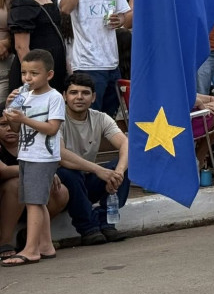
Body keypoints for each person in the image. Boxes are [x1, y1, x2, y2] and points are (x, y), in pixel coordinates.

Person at [1, 49, 64, 266]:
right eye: (24, 73)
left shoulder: (54, 97)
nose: (28, 78)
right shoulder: (24, 95)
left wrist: (24, 119)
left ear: (49, 74)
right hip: (27, 154)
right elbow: (15, 129)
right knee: (34, 201)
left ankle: (31, 249)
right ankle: (45, 246)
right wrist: (10, 109)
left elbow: (52, 128)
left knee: (34, 203)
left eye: (34, 73)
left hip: (43, 157)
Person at [58, 0, 132, 116]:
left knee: (108, 118)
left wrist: (119, 20)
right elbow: (65, 8)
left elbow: (124, 13)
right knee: (89, 116)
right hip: (87, 63)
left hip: (112, 62)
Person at [55, 72, 129, 245]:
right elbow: (61, 155)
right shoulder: (56, 119)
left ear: (93, 97)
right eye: (74, 92)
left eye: (85, 93)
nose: (79, 97)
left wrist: (118, 172)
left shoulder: (100, 118)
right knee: (68, 172)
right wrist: (98, 169)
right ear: (64, 96)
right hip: (61, 187)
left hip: (87, 183)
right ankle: (89, 229)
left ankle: (107, 224)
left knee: (125, 166)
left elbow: (126, 144)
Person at [0, 116, 67, 259]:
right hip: (6, 199)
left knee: (60, 191)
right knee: (17, 184)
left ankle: (31, 236)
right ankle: (4, 241)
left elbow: (59, 157)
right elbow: (3, 170)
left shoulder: (32, 140)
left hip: (29, 200)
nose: (10, 128)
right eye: (3, 124)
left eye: (14, 124)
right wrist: (39, 171)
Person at [9, 0, 68, 94]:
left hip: (54, 68)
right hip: (37, 75)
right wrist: (33, 77)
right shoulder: (23, 5)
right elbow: (21, 47)